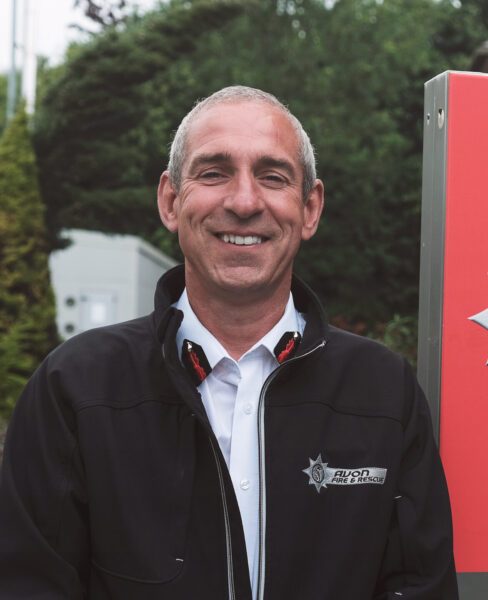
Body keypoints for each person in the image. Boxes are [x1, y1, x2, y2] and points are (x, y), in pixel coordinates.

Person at [0, 86, 458, 599]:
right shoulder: (74, 390)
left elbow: (422, 587)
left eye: (273, 176)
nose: (244, 202)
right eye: (214, 172)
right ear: (171, 201)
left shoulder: (383, 392)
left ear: (310, 208)